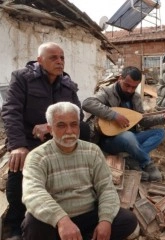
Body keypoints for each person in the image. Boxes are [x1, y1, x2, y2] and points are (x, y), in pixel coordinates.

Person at [1, 42, 90, 240]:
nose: (59, 62)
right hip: (28, 138)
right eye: (53, 58)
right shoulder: (22, 78)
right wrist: (17, 145)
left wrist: (49, 126)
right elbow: (10, 111)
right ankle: (15, 226)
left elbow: (78, 114)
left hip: (55, 136)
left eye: (62, 57)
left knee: (84, 129)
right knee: (18, 169)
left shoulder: (67, 84)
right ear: (40, 60)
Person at [21, 102, 138, 240]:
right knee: (32, 224)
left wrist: (105, 220)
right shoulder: (37, 156)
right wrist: (61, 220)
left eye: (74, 124)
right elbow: (33, 193)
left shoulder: (92, 151)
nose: (69, 131)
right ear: (50, 129)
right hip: (56, 221)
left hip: (88, 215)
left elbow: (106, 188)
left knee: (127, 220)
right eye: (61, 125)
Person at [83, 66, 165, 182]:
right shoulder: (107, 92)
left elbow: (142, 120)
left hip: (132, 138)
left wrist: (163, 117)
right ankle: (147, 163)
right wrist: (114, 115)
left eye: (134, 87)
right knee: (128, 136)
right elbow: (87, 103)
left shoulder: (135, 97)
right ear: (120, 79)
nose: (130, 90)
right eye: (127, 85)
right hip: (109, 140)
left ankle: (131, 160)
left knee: (160, 133)